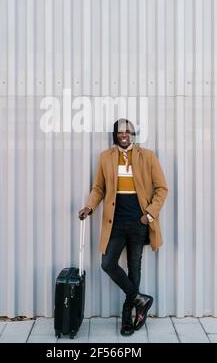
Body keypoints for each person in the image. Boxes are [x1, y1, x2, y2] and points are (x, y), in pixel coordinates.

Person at [78, 119, 168, 337]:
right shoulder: (106, 157)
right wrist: (89, 206)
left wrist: (149, 215)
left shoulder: (147, 156)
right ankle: (141, 300)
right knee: (107, 263)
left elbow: (162, 188)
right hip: (115, 223)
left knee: (134, 268)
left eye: (128, 131)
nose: (124, 134)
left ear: (133, 134)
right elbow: (98, 188)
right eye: (120, 132)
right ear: (115, 135)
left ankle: (128, 316)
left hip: (139, 223)